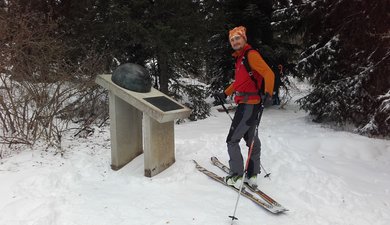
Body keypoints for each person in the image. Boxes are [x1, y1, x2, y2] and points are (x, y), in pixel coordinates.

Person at [215, 26, 274, 189]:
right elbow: (239, 82)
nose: (235, 42)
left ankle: (236, 176)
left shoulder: (251, 55)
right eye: (232, 40)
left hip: (248, 105)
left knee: (232, 140)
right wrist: (225, 93)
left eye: (237, 38)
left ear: (244, 39)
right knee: (251, 139)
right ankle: (252, 175)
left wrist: (268, 93)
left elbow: (269, 73)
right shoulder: (240, 59)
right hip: (250, 104)